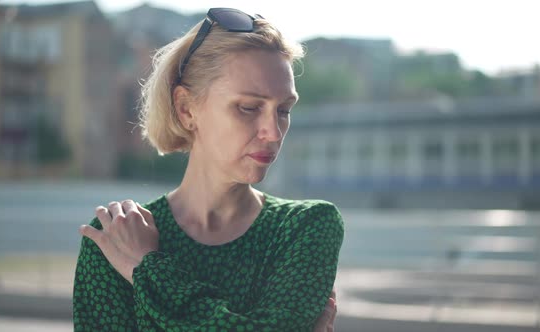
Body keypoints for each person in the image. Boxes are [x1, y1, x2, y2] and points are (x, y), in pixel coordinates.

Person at [73, 7, 344, 331]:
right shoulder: (114, 238)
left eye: (283, 110)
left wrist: (147, 269)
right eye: (248, 107)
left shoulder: (307, 227)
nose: (273, 132)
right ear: (187, 109)